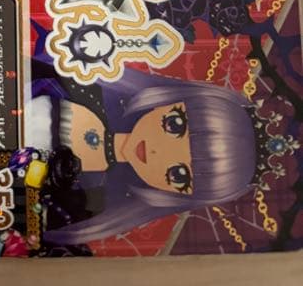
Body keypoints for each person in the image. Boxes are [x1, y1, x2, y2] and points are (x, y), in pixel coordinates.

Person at [27, 62, 256, 244]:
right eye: (174, 125)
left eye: (179, 174)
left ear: (175, 195)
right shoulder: (92, 83)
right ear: (170, 101)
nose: (157, 151)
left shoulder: (94, 204)